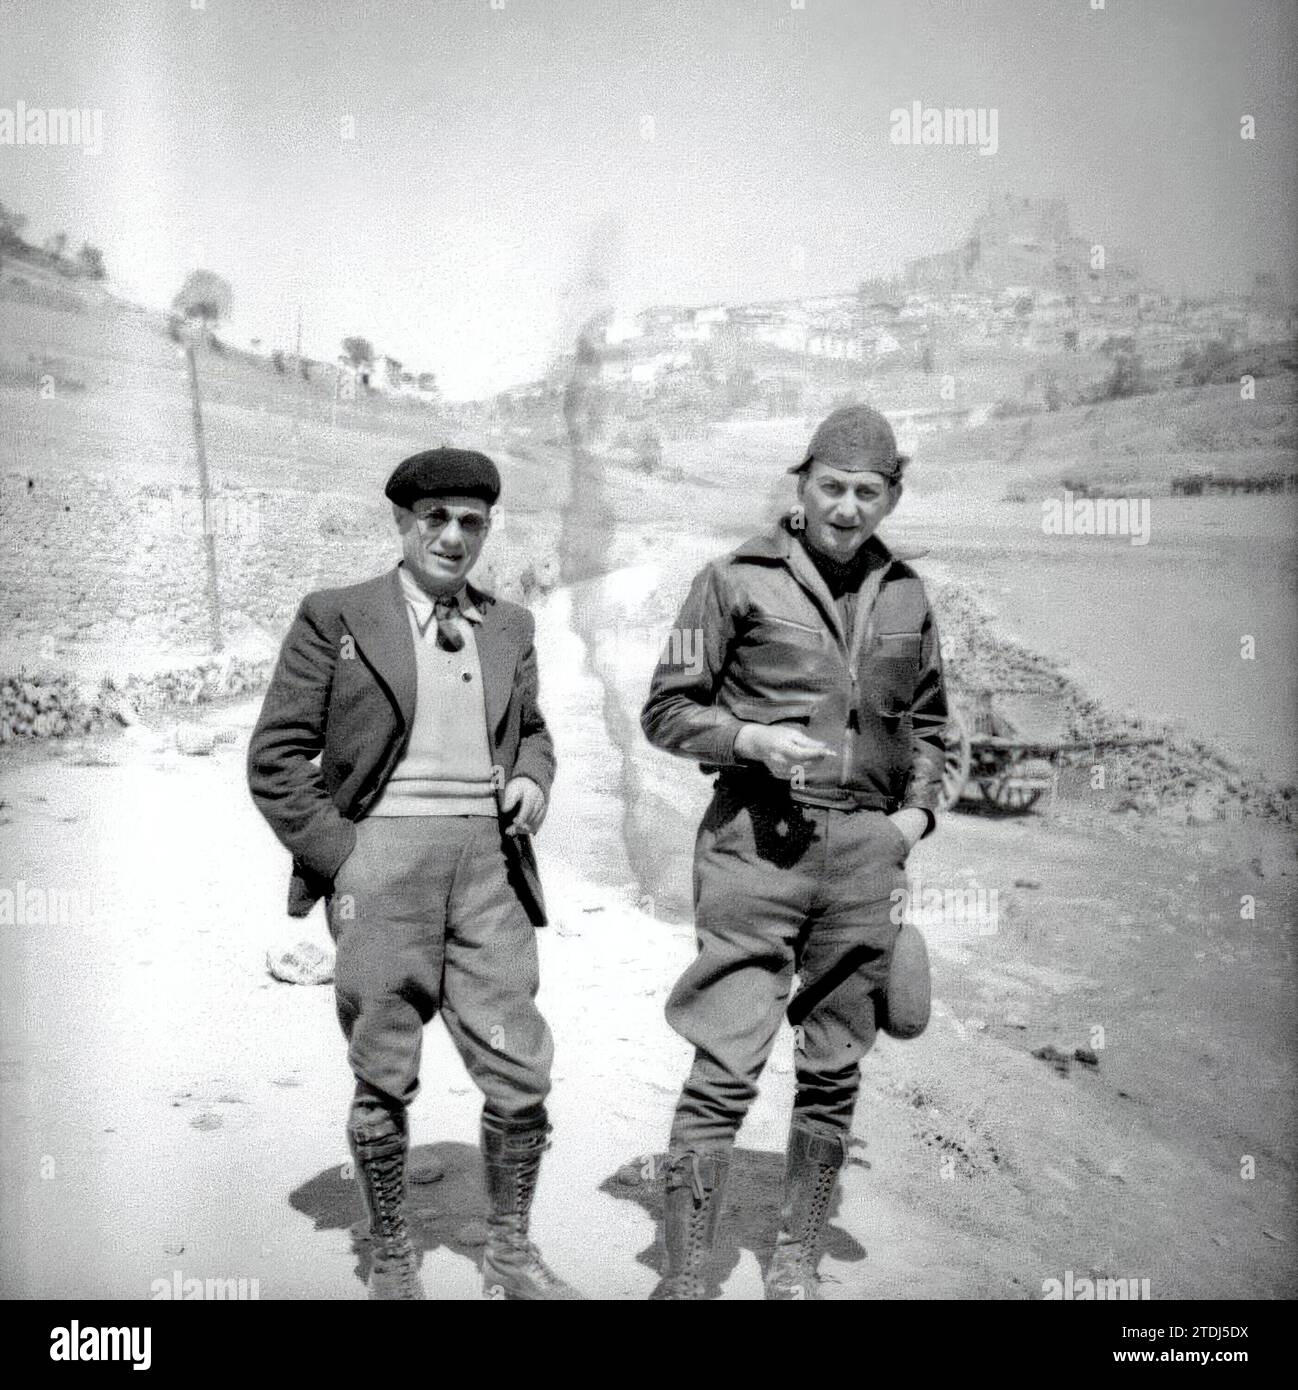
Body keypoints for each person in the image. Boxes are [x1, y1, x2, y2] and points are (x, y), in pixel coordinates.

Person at [248, 447, 581, 1300]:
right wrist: (343, 856)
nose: (453, 535)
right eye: (435, 518)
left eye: (471, 522)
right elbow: (278, 757)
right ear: (402, 523)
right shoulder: (337, 616)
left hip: (488, 873)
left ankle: (508, 1255)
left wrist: (532, 779)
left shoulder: (511, 625)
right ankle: (391, 1253)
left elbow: (533, 730)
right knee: (383, 1061)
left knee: (519, 1064)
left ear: (486, 530)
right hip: (380, 867)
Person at [640, 405, 949, 1299]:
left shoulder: (908, 595)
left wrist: (914, 822)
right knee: (728, 1055)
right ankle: (687, 1273)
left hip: (865, 855)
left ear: (893, 495)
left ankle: (796, 1259)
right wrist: (747, 741)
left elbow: (933, 726)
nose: (848, 509)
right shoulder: (731, 580)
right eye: (832, 488)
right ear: (801, 485)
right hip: (755, 846)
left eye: (868, 492)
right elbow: (667, 709)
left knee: (835, 1061)